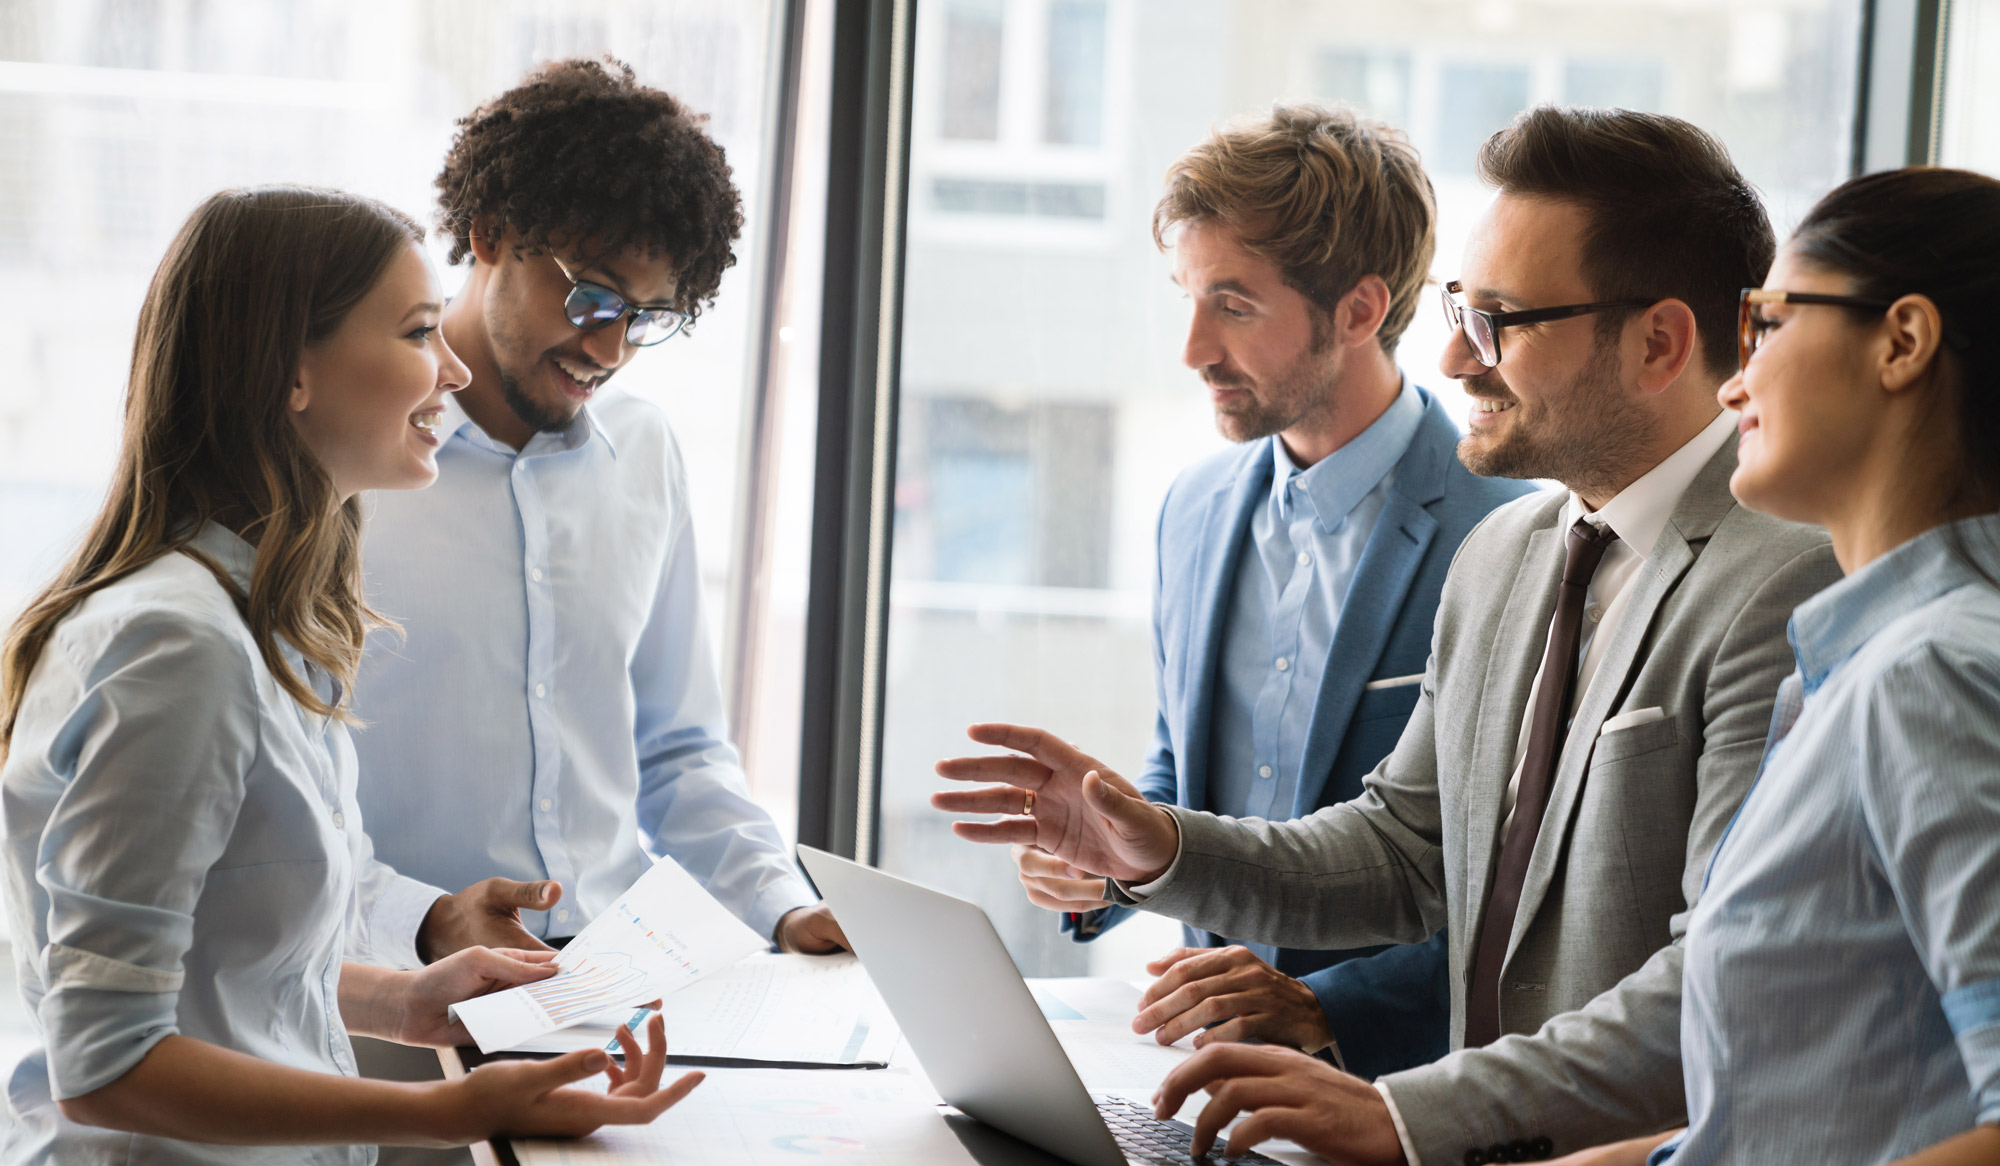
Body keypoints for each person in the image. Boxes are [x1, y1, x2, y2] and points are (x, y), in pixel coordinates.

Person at [935, 106, 1843, 1164]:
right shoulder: (1507, 550)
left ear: (1656, 343)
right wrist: (1158, 847)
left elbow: (1719, 980)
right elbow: (1402, 848)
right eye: (1461, 307)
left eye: (1498, 318)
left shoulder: (1789, 579)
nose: (1454, 356)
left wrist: (1403, 1112)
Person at [0, 186, 699, 1165]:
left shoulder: (265, 623)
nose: (452, 371)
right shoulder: (177, 647)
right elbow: (106, 1060)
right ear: (291, 372)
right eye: (419, 332)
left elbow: (222, 954)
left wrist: (408, 1002)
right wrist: (445, 1114)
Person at [1010, 104, 1533, 1081]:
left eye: (1233, 305)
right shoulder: (1193, 507)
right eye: (1187, 299)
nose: (1193, 348)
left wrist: (1319, 1009)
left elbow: (1520, 888)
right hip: (1199, 1069)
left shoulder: (1510, 531)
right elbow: (1183, 767)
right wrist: (1105, 860)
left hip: (1404, 1088)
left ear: (1358, 311)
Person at [345, 57, 845, 968]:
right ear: (491, 233)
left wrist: (780, 904)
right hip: (390, 984)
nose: (609, 348)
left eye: (648, 316)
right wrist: (423, 921)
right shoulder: (352, 465)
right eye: (592, 297)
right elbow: (282, 798)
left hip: (610, 978)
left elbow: (679, 748)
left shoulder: (644, 455)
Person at [1551, 167, 2000, 1166]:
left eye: (1764, 322)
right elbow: (1816, 1111)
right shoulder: (1856, 671)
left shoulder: (1932, 674)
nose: (1730, 379)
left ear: (1900, 342)